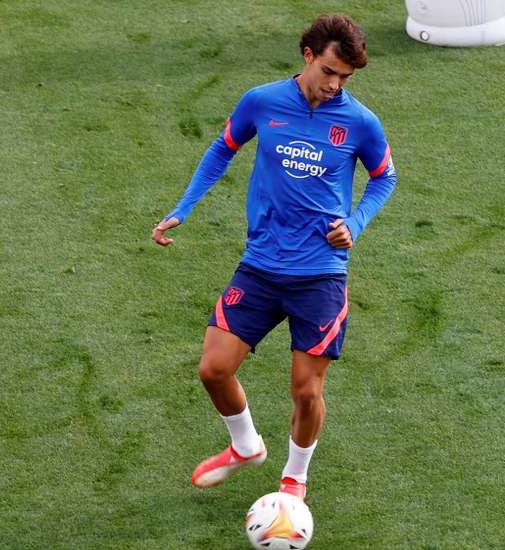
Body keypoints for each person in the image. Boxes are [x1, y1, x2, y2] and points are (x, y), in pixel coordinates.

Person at [152, 14, 397, 502]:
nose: (335, 85)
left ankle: (295, 479)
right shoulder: (262, 102)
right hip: (262, 265)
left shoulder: (360, 122)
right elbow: (221, 150)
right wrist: (183, 208)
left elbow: (384, 177)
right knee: (213, 369)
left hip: (320, 275)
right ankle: (246, 447)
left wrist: (355, 222)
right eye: (329, 72)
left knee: (306, 390)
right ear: (308, 56)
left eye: (346, 78)